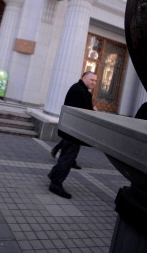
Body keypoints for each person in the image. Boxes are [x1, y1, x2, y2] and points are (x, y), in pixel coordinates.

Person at [47, 71, 98, 199]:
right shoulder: (78, 90)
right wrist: (93, 112)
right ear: (83, 78)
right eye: (91, 79)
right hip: (73, 132)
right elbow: (79, 112)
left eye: (95, 81)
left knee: (68, 157)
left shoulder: (83, 90)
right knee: (67, 158)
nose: (94, 83)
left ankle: (54, 175)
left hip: (74, 132)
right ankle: (55, 184)